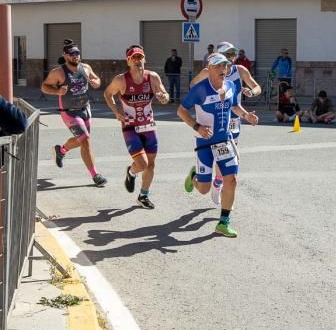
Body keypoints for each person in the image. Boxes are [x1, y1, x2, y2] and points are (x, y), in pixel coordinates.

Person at [177, 53, 259, 238]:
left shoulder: (229, 86)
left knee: (231, 180)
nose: (224, 69)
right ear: (210, 68)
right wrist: (196, 126)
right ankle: (194, 177)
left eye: (226, 66)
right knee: (204, 189)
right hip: (205, 143)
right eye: (220, 66)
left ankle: (223, 222)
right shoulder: (200, 89)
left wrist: (246, 116)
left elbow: (234, 106)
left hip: (225, 141)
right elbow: (181, 110)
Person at [190, 41, 261, 205]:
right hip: (214, 120)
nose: (232, 58)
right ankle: (203, 179)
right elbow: (193, 85)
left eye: (233, 55)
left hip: (234, 119)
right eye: (228, 55)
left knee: (228, 159)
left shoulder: (240, 70)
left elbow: (256, 86)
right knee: (220, 157)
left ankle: (217, 184)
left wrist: (251, 92)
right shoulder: (209, 71)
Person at [104, 45, 169, 209]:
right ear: (128, 61)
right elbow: (107, 93)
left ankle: (143, 196)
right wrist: (116, 111)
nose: (137, 61)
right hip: (130, 127)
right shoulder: (121, 80)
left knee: (151, 164)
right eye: (134, 58)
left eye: (140, 57)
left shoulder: (152, 77)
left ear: (145, 59)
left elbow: (165, 95)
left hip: (149, 125)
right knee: (142, 164)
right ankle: (131, 172)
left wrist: (163, 97)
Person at [41, 43, 107, 186]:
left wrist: (95, 82)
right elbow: (44, 87)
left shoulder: (86, 68)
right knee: (85, 140)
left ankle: (61, 150)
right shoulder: (58, 72)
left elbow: (97, 80)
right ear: (65, 56)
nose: (75, 56)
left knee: (81, 141)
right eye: (71, 54)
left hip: (85, 109)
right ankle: (96, 175)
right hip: (69, 112)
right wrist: (57, 91)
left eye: (77, 53)